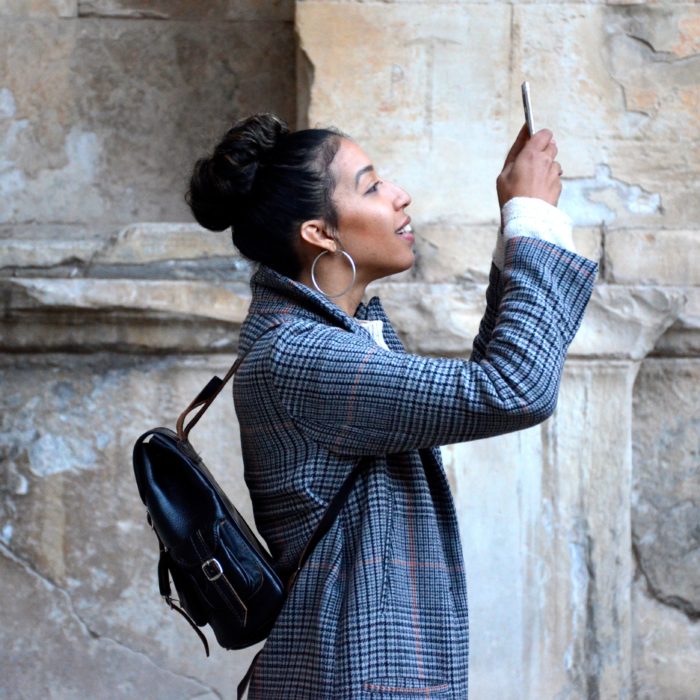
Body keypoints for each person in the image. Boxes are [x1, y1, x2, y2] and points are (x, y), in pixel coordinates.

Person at [186, 113, 597, 698]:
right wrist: (532, 218)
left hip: (361, 665)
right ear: (321, 234)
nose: (399, 195)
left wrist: (517, 227)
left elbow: (490, 384)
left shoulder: (339, 334)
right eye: (372, 186)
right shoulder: (302, 355)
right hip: (358, 672)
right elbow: (514, 388)